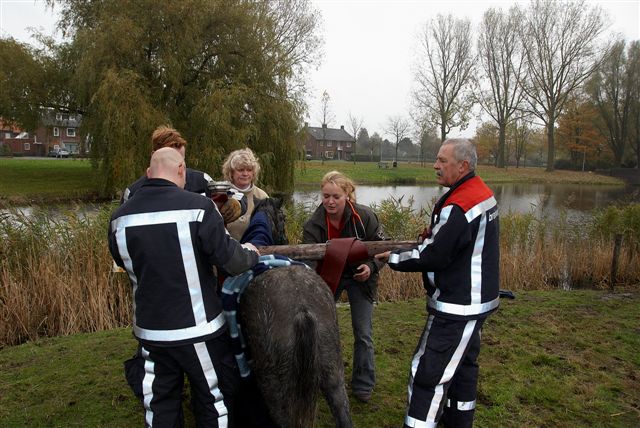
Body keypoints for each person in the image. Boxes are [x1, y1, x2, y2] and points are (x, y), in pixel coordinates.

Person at [109, 148, 260, 427]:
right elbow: (232, 261)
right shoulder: (199, 208)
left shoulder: (119, 219)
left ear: (148, 174)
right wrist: (251, 252)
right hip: (199, 330)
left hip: (151, 334)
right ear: (181, 170)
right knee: (213, 400)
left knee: (160, 404)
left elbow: (123, 261)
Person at [375, 138, 500, 428]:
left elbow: (434, 255)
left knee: (427, 374)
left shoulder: (460, 203)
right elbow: (455, 243)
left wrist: (392, 258)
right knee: (464, 370)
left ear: (463, 165)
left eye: (443, 161)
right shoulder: (480, 192)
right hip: (476, 303)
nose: (435, 165)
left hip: (456, 307)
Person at [302, 170, 385, 403]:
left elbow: (383, 250)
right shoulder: (314, 224)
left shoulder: (365, 217)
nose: (329, 201)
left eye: (336, 196)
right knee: (319, 330)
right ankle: (319, 377)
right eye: (326, 195)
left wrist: (371, 267)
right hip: (329, 278)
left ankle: (363, 383)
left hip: (362, 279)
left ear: (347, 195)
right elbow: (308, 259)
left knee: (363, 333)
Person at [122, 125, 243, 224]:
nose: (179, 167)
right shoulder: (133, 193)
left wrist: (236, 204)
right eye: (172, 159)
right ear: (154, 155)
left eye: (182, 159)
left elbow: (238, 195)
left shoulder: (201, 180)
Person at [222, 148, 269, 241]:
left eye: (249, 170)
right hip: (226, 251)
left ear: (254, 172)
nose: (245, 174)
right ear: (231, 172)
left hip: (256, 251)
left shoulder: (263, 197)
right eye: (241, 170)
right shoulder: (220, 195)